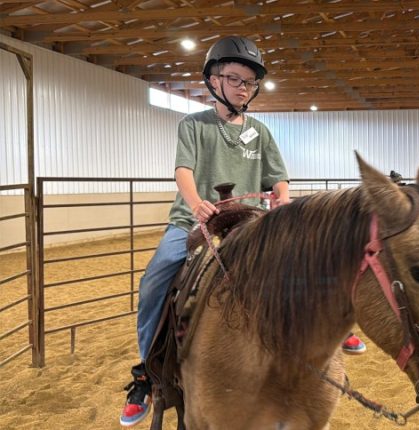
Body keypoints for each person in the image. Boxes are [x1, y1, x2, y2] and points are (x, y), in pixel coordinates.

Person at [119, 35, 292, 427]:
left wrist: (282, 197)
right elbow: (183, 169)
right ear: (213, 81)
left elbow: (278, 177)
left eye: (249, 82)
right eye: (234, 79)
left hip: (249, 222)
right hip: (192, 222)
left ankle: (314, 348)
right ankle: (146, 373)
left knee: (298, 267)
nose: (243, 88)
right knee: (154, 281)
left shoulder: (260, 132)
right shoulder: (193, 125)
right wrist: (196, 203)